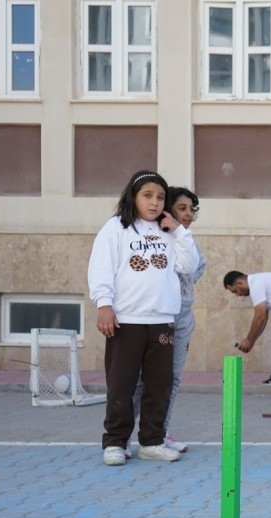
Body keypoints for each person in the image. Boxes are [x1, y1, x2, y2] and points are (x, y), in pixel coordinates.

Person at [88, 170, 199, 466]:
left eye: (160, 197)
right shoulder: (116, 228)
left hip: (162, 320)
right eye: (147, 196)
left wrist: (178, 230)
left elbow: (189, 264)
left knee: (159, 384)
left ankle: (151, 441)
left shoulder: (168, 231)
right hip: (126, 321)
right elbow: (101, 268)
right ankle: (114, 442)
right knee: (121, 384)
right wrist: (104, 305)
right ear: (133, 197)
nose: (154, 202)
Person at [131, 187, 207, 453]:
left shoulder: (186, 238)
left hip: (184, 315)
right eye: (182, 208)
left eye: (191, 210)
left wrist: (183, 289)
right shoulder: (156, 238)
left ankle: (158, 433)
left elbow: (200, 265)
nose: (187, 215)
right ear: (167, 210)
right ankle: (122, 436)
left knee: (172, 378)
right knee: (145, 378)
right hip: (161, 315)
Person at [224, 270, 271, 402]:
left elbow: (260, 317)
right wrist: (252, 341)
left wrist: (249, 340)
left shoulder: (256, 284)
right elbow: (264, 317)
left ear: (240, 283)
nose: (238, 295)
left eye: (235, 291)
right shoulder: (259, 282)